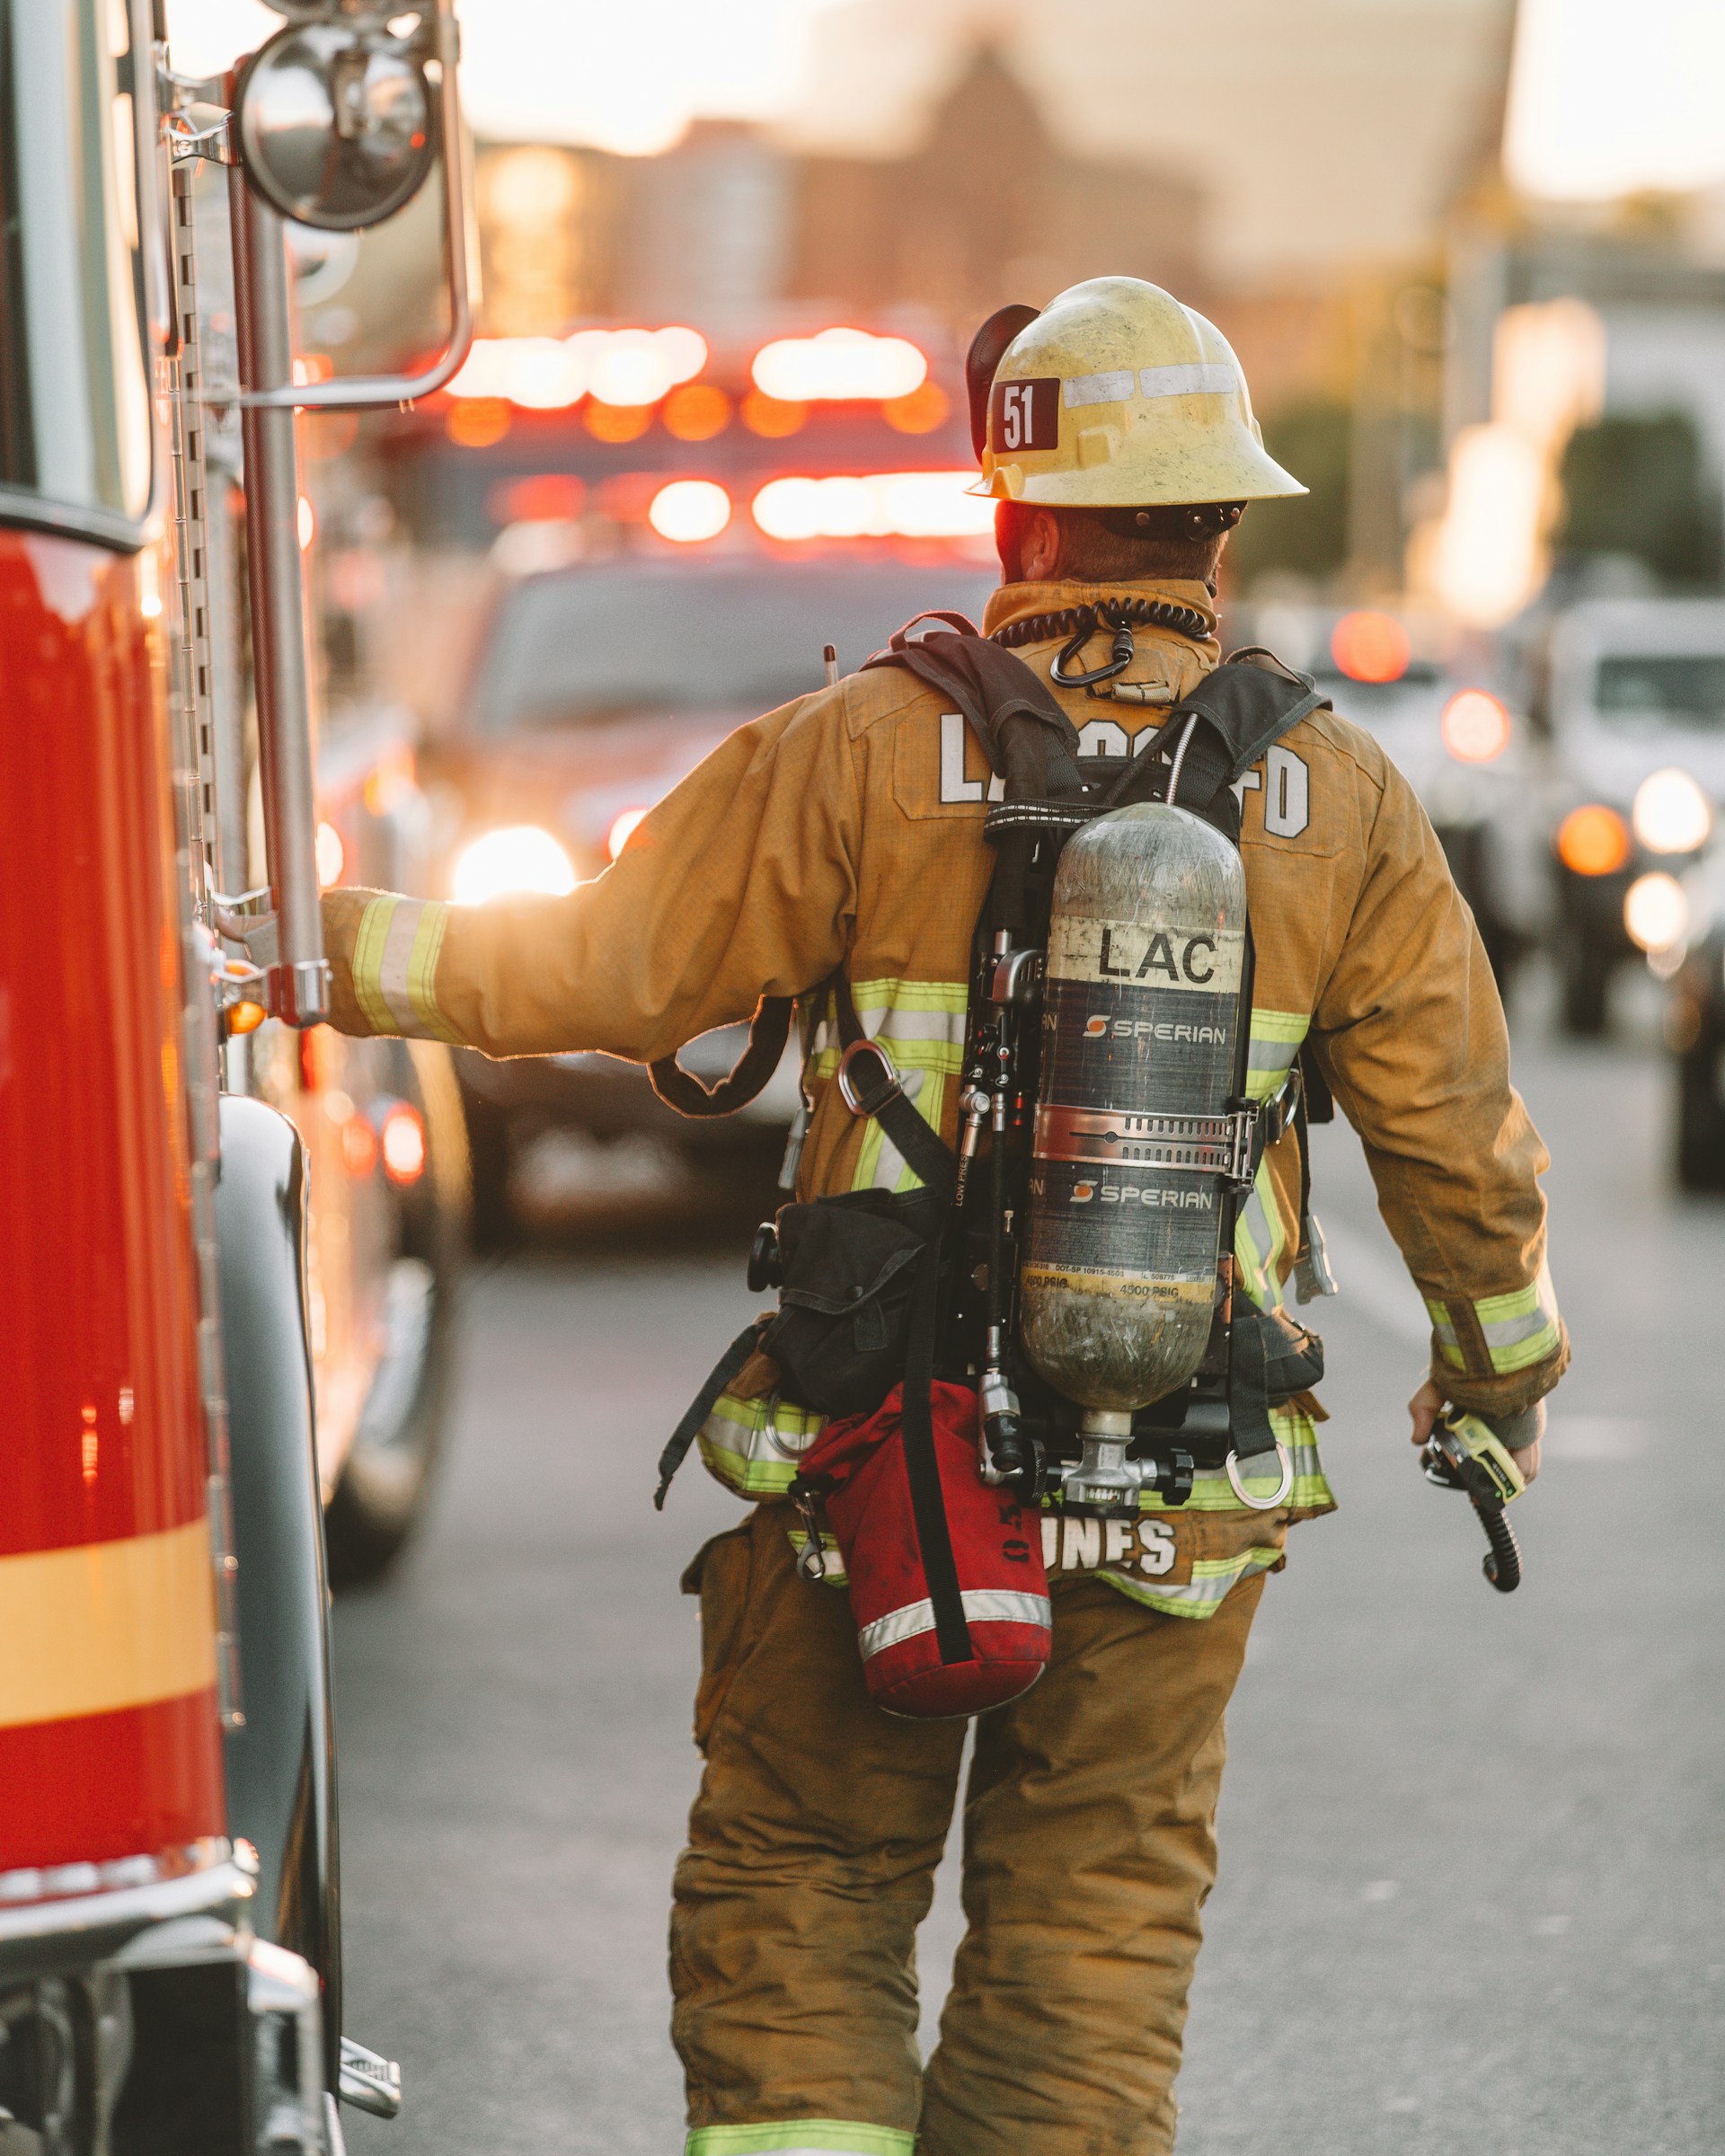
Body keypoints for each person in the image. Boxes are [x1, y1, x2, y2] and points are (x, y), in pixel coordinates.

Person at [282, 278, 1568, 2155]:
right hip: (1183, 1489)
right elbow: (1457, 1148)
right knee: (1088, 1955)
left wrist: (317, 957)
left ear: (1017, 515)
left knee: (801, 1892)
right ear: (1220, 523)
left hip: (876, 1457)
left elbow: (612, 968)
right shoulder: (1339, 798)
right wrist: (1495, 1371)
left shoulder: (868, 744)